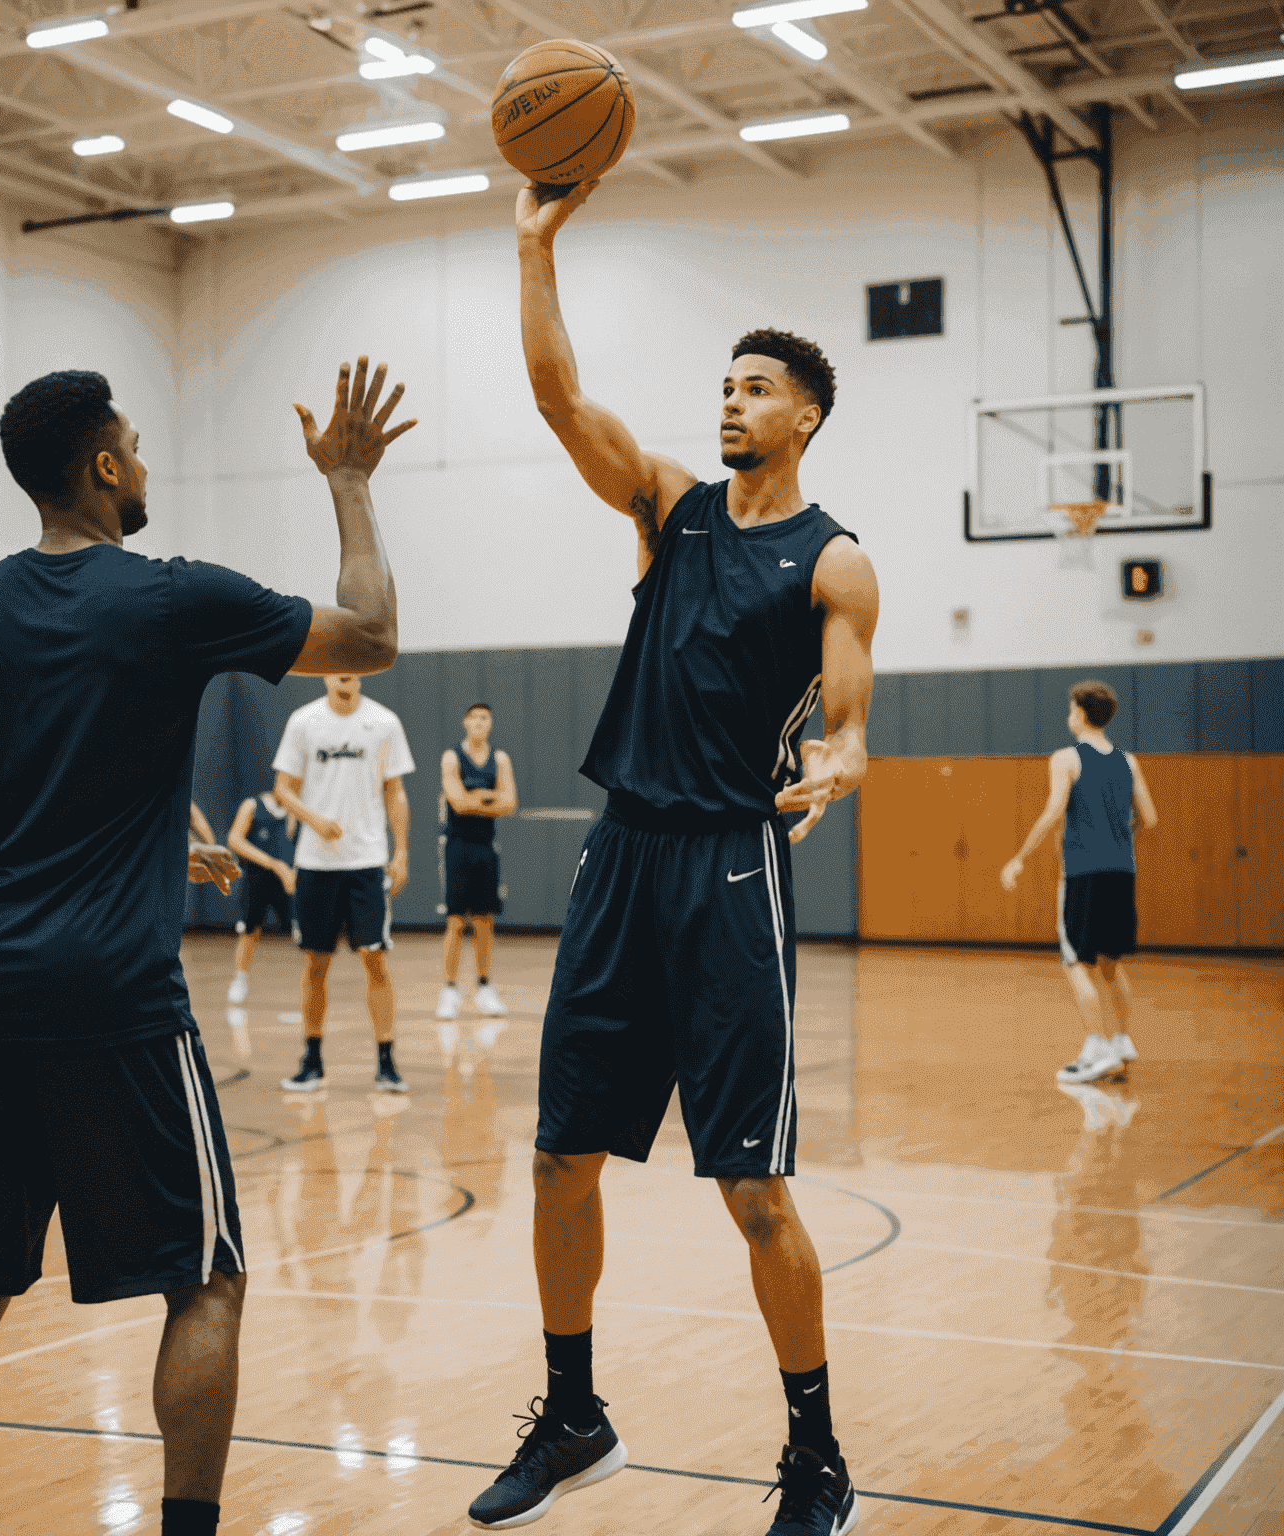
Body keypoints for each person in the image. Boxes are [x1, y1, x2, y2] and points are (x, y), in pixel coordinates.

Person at [0, 354, 414, 1536]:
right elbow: (369, 633)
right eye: (139, 447)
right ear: (106, 468)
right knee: (205, 1281)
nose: (147, 463)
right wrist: (351, 481)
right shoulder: (170, 597)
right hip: (116, 996)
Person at [464, 181, 878, 1536]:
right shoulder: (669, 509)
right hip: (621, 861)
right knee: (558, 1160)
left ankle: (816, 1457)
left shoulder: (835, 562)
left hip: (731, 873)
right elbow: (556, 396)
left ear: (806, 414)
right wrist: (534, 248)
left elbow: (852, 712)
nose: (731, 403)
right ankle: (573, 1414)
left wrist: (845, 759)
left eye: (756, 388)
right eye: (724, 385)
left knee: (753, 1188)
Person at [1001, 680, 1157, 1086]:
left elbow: (1054, 811)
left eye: (1071, 710)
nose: (1068, 716)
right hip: (1122, 871)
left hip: (1084, 872)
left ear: (1081, 714)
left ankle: (1096, 1047)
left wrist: (1019, 858)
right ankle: (1122, 1041)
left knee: (1075, 961)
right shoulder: (1128, 760)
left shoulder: (1067, 758)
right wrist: (1121, 839)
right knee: (1111, 962)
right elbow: (1149, 818)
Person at [272, 673, 415, 1093]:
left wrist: (401, 850)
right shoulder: (303, 721)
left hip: (366, 860)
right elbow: (283, 789)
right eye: (336, 666)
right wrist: (314, 820)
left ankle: (386, 1061)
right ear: (325, 673)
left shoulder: (384, 721)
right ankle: (312, 1059)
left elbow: (396, 791)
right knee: (316, 963)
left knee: (375, 959)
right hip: (315, 863)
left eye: (352, 665)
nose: (344, 673)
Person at [436, 703, 517, 1021]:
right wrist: (489, 797)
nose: (480, 722)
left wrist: (475, 798)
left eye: (485, 718)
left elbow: (510, 802)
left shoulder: (500, 759)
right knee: (456, 921)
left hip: (486, 847)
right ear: (465, 722)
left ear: (491, 724)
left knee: (485, 920)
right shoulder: (452, 757)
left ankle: (484, 988)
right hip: (457, 846)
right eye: (474, 717)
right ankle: (449, 990)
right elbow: (457, 801)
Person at [225, 790, 297, 1004]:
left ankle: (307, 986)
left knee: (303, 931)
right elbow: (235, 840)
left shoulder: (298, 810)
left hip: (289, 879)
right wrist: (273, 864)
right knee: (250, 931)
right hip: (257, 879)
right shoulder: (252, 805)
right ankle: (240, 978)